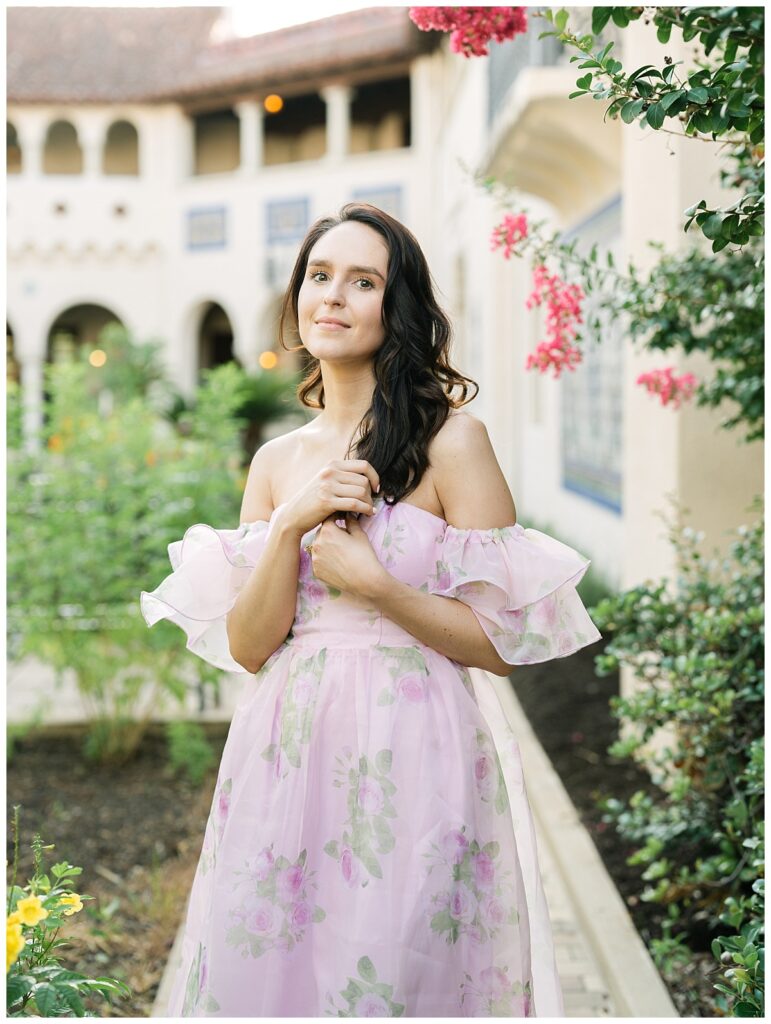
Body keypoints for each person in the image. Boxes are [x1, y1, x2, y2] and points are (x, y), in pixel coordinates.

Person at [140, 202, 602, 1017]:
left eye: (362, 281)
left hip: (413, 747)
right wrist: (289, 523)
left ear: (398, 309)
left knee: (398, 971)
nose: (333, 296)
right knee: (279, 971)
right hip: (287, 746)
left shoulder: (452, 443)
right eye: (319, 277)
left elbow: (499, 645)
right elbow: (251, 648)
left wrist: (380, 585)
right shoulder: (278, 460)